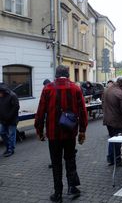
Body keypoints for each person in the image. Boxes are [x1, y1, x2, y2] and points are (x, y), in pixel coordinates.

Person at [34, 65, 88, 203]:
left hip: (53, 134)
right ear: (68, 74)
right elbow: (83, 111)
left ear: (56, 75)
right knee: (70, 159)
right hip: (70, 133)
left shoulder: (48, 89)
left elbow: (40, 112)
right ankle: (72, 188)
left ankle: (58, 193)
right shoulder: (76, 88)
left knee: (56, 163)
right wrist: (82, 130)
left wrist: (39, 130)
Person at [103, 78, 122, 166]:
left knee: (112, 139)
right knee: (117, 140)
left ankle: (111, 158)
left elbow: (103, 104)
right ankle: (117, 160)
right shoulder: (120, 93)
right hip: (117, 120)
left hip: (108, 119)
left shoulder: (107, 90)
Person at [0, 83, 20, 157]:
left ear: (3, 91)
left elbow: (16, 107)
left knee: (11, 134)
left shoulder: (12, 96)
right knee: (2, 132)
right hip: (3, 120)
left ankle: (11, 149)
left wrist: (9, 116)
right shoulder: (1, 96)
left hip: (12, 120)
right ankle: (8, 147)